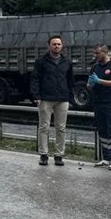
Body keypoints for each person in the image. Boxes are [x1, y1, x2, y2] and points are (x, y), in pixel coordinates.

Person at [31, 35, 74, 166]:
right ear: (49, 46)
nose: (56, 46)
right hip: (46, 98)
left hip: (62, 98)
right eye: (54, 44)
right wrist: (36, 96)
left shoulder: (67, 62)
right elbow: (35, 79)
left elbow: (70, 81)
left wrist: (70, 97)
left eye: (59, 44)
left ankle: (59, 155)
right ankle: (44, 154)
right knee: (44, 127)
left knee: (61, 128)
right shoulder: (41, 61)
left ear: (62, 46)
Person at [89, 44, 111, 170]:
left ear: (105, 52)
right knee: (102, 130)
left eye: (97, 53)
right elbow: (90, 84)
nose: (95, 56)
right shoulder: (95, 67)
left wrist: (99, 81)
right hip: (98, 102)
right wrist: (91, 83)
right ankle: (106, 157)